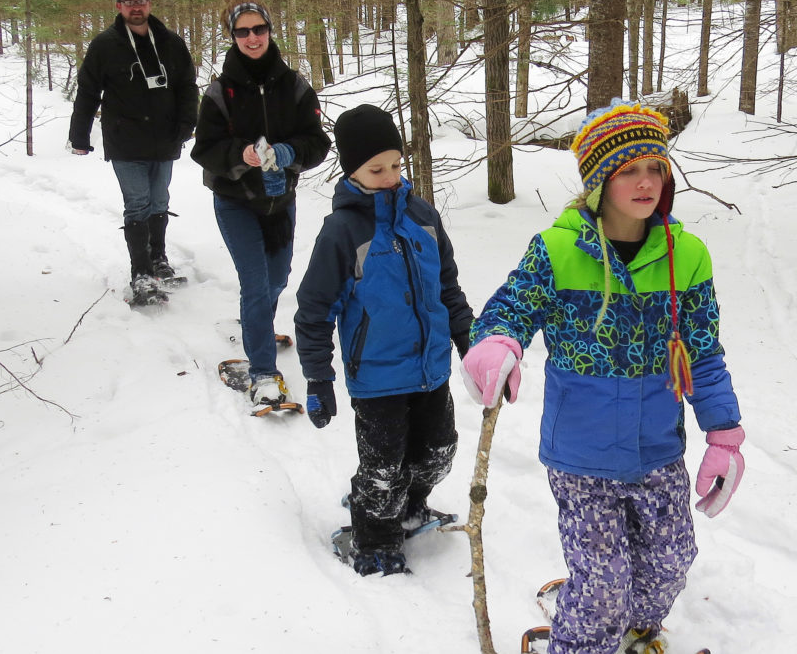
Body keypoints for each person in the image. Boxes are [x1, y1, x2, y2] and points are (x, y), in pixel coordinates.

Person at [461, 101, 744, 654]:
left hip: (657, 449)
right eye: (628, 170)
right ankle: (585, 637)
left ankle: (631, 627)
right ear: (597, 181)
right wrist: (497, 344)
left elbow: (704, 353)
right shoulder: (558, 249)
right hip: (581, 456)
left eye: (655, 167)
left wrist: (724, 436)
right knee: (604, 585)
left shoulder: (686, 255)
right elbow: (509, 310)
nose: (646, 182)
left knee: (670, 562)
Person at [295, 104, 474, 577]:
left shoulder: (423, 218)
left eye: (396, 164)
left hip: (430, 369)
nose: (390, 176)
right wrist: (318, 376)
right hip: (376, 378)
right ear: (352, 170)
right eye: (376, 169)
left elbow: (448, 289)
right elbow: (314, 310)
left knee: (438, 452)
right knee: (383, 471)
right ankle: (374, 536)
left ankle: (411, 506)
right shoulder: (342, 231)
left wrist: (469, 343)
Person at [191, 0, 330, 406]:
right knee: (255, 285)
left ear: (270, 30)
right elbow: (204, 149)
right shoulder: (220, 92)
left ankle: (257, 329)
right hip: (236, 201)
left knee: (278, 279)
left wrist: (290, 154)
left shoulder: (295, 85)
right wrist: (242, 155)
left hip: (280, 201)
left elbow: (318, 142)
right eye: (243, 31)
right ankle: (263, 374)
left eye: (260, 29)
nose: (253, 38)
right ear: (231, 36)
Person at [69, 0, 198, 307]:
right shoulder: (105, 45)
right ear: (118, 7)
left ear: (150, 4)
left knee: (159, 200)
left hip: (165, 138)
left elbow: (186, 85)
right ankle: (140, 272)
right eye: (128, 1)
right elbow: (87, 90)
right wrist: (79, 135)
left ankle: (159, 260)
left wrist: (187, 124)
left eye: (141, 0)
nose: (135, 6)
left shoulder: (171, 42)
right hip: (125, 140)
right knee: (138, 203)